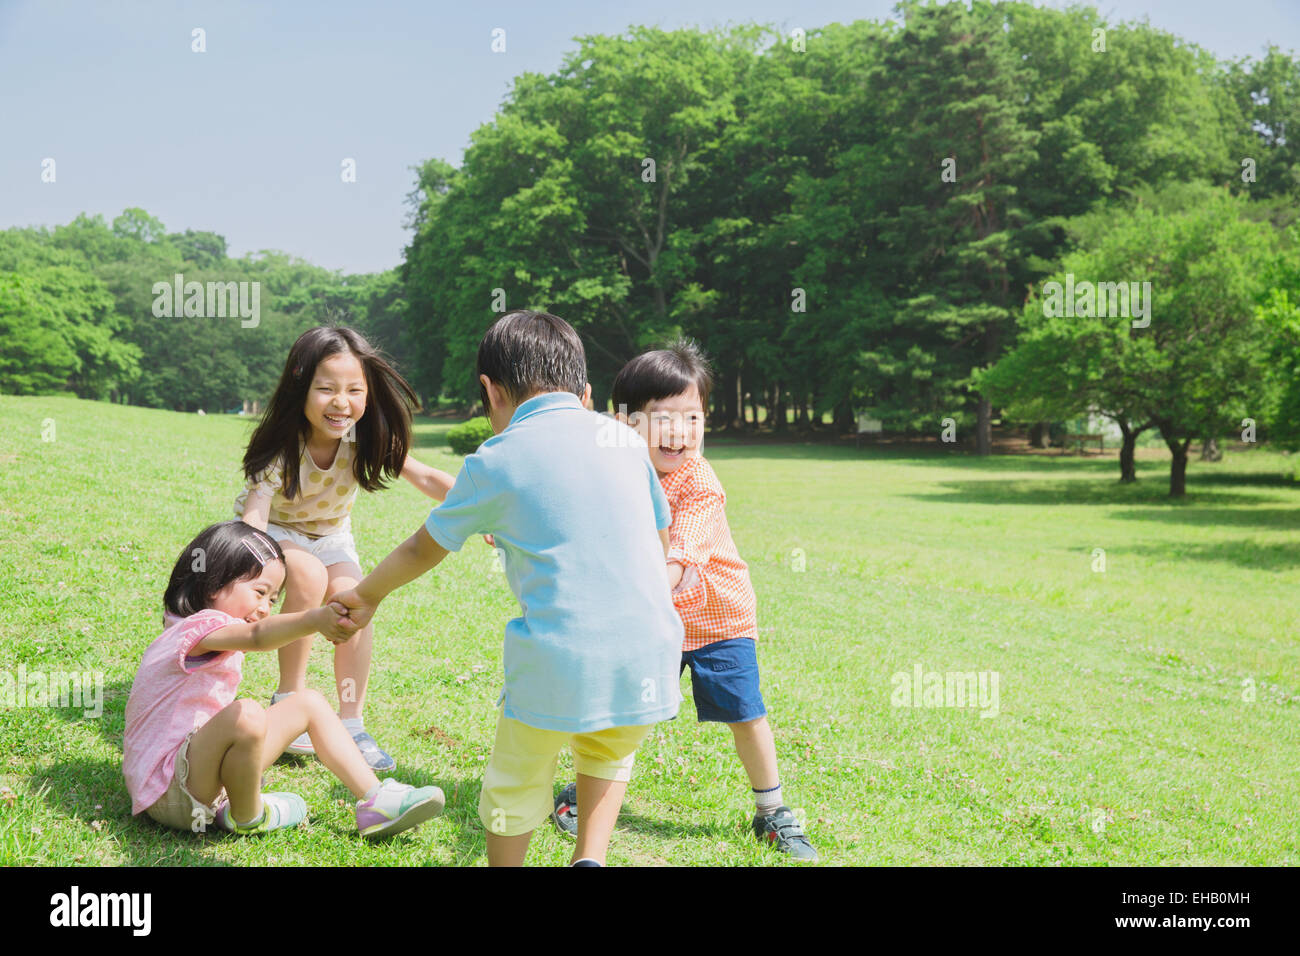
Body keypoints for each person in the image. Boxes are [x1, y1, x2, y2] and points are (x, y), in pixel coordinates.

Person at [327, 310, 682, 866]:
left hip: (559, 659)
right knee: (608, 752)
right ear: (584, 391)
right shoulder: (625, 440)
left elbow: (426, 546)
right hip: (649, 653)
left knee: (514, 785)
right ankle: (590, 858)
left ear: (491, 392)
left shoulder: (496, 458)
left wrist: (367, 594)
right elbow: (659, 540)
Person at [551, 340, 818, 860]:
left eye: (692, 419)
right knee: (625, 712)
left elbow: (678, 561)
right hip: (650, 622)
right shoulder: (615, 469)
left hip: (718, 619)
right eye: (664, 418)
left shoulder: (699, 482)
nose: (681, 433)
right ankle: (584, 795)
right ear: (626, 423)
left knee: (746, 713)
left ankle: (773, 812)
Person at [122, 521, 445, 837]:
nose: (265, 608)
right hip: (169, 791)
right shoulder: (195, 628)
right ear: (212, 583)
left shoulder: (189, 627)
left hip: (197, 776)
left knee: (308, 703)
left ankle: (377, 800)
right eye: (260, 592)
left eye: (273, 599)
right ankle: (248, 815)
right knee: (246, 713)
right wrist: (315, 618)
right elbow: (258, 636)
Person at [234, 326, 455, 771]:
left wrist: (480, 505)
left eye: (354, 390)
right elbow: (255, 514)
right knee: (310, 578)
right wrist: (248, 565)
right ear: (301, 388)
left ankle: (351, 723)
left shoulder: (363, 437)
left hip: (332, 535)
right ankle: (289, 701)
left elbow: (426, 477)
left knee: (357, 597)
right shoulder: (284, 444)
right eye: (326, 389)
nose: (341, 403)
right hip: (275, 532)